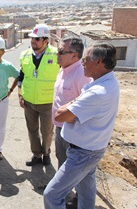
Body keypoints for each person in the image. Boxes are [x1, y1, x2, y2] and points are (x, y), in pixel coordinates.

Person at [43, 42, 119, 209]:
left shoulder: (97, 92)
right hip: (91, 148)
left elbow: (60, 115)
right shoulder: (109, 82)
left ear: (98, 62)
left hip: (83, 153)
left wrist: (71, 106)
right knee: (86, 190)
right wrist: (75, 106)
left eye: (86, 59)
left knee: (52, 195)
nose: (83, 63)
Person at [52, 37, 92, 209]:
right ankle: (69, 196)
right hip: (59, 128)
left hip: (74, 132)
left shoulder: (81, 75)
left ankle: (79, 200)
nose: (57, 55)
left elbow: (85, 106)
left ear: (74, 56)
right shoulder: (63, 69)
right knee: (63, 166)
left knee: (78, 172)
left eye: (61, 52)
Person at [18, 24, 60, 166]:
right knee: (32, 130)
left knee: (47, 131)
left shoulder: (56, 55)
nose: (33, 41)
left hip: (48, 102)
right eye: (32, 38)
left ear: (46, 40)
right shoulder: (24, 55)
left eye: (37, 39)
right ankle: (36, 155)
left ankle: (46, 153)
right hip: (29, 101)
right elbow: (21, 76)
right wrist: (20, 94)